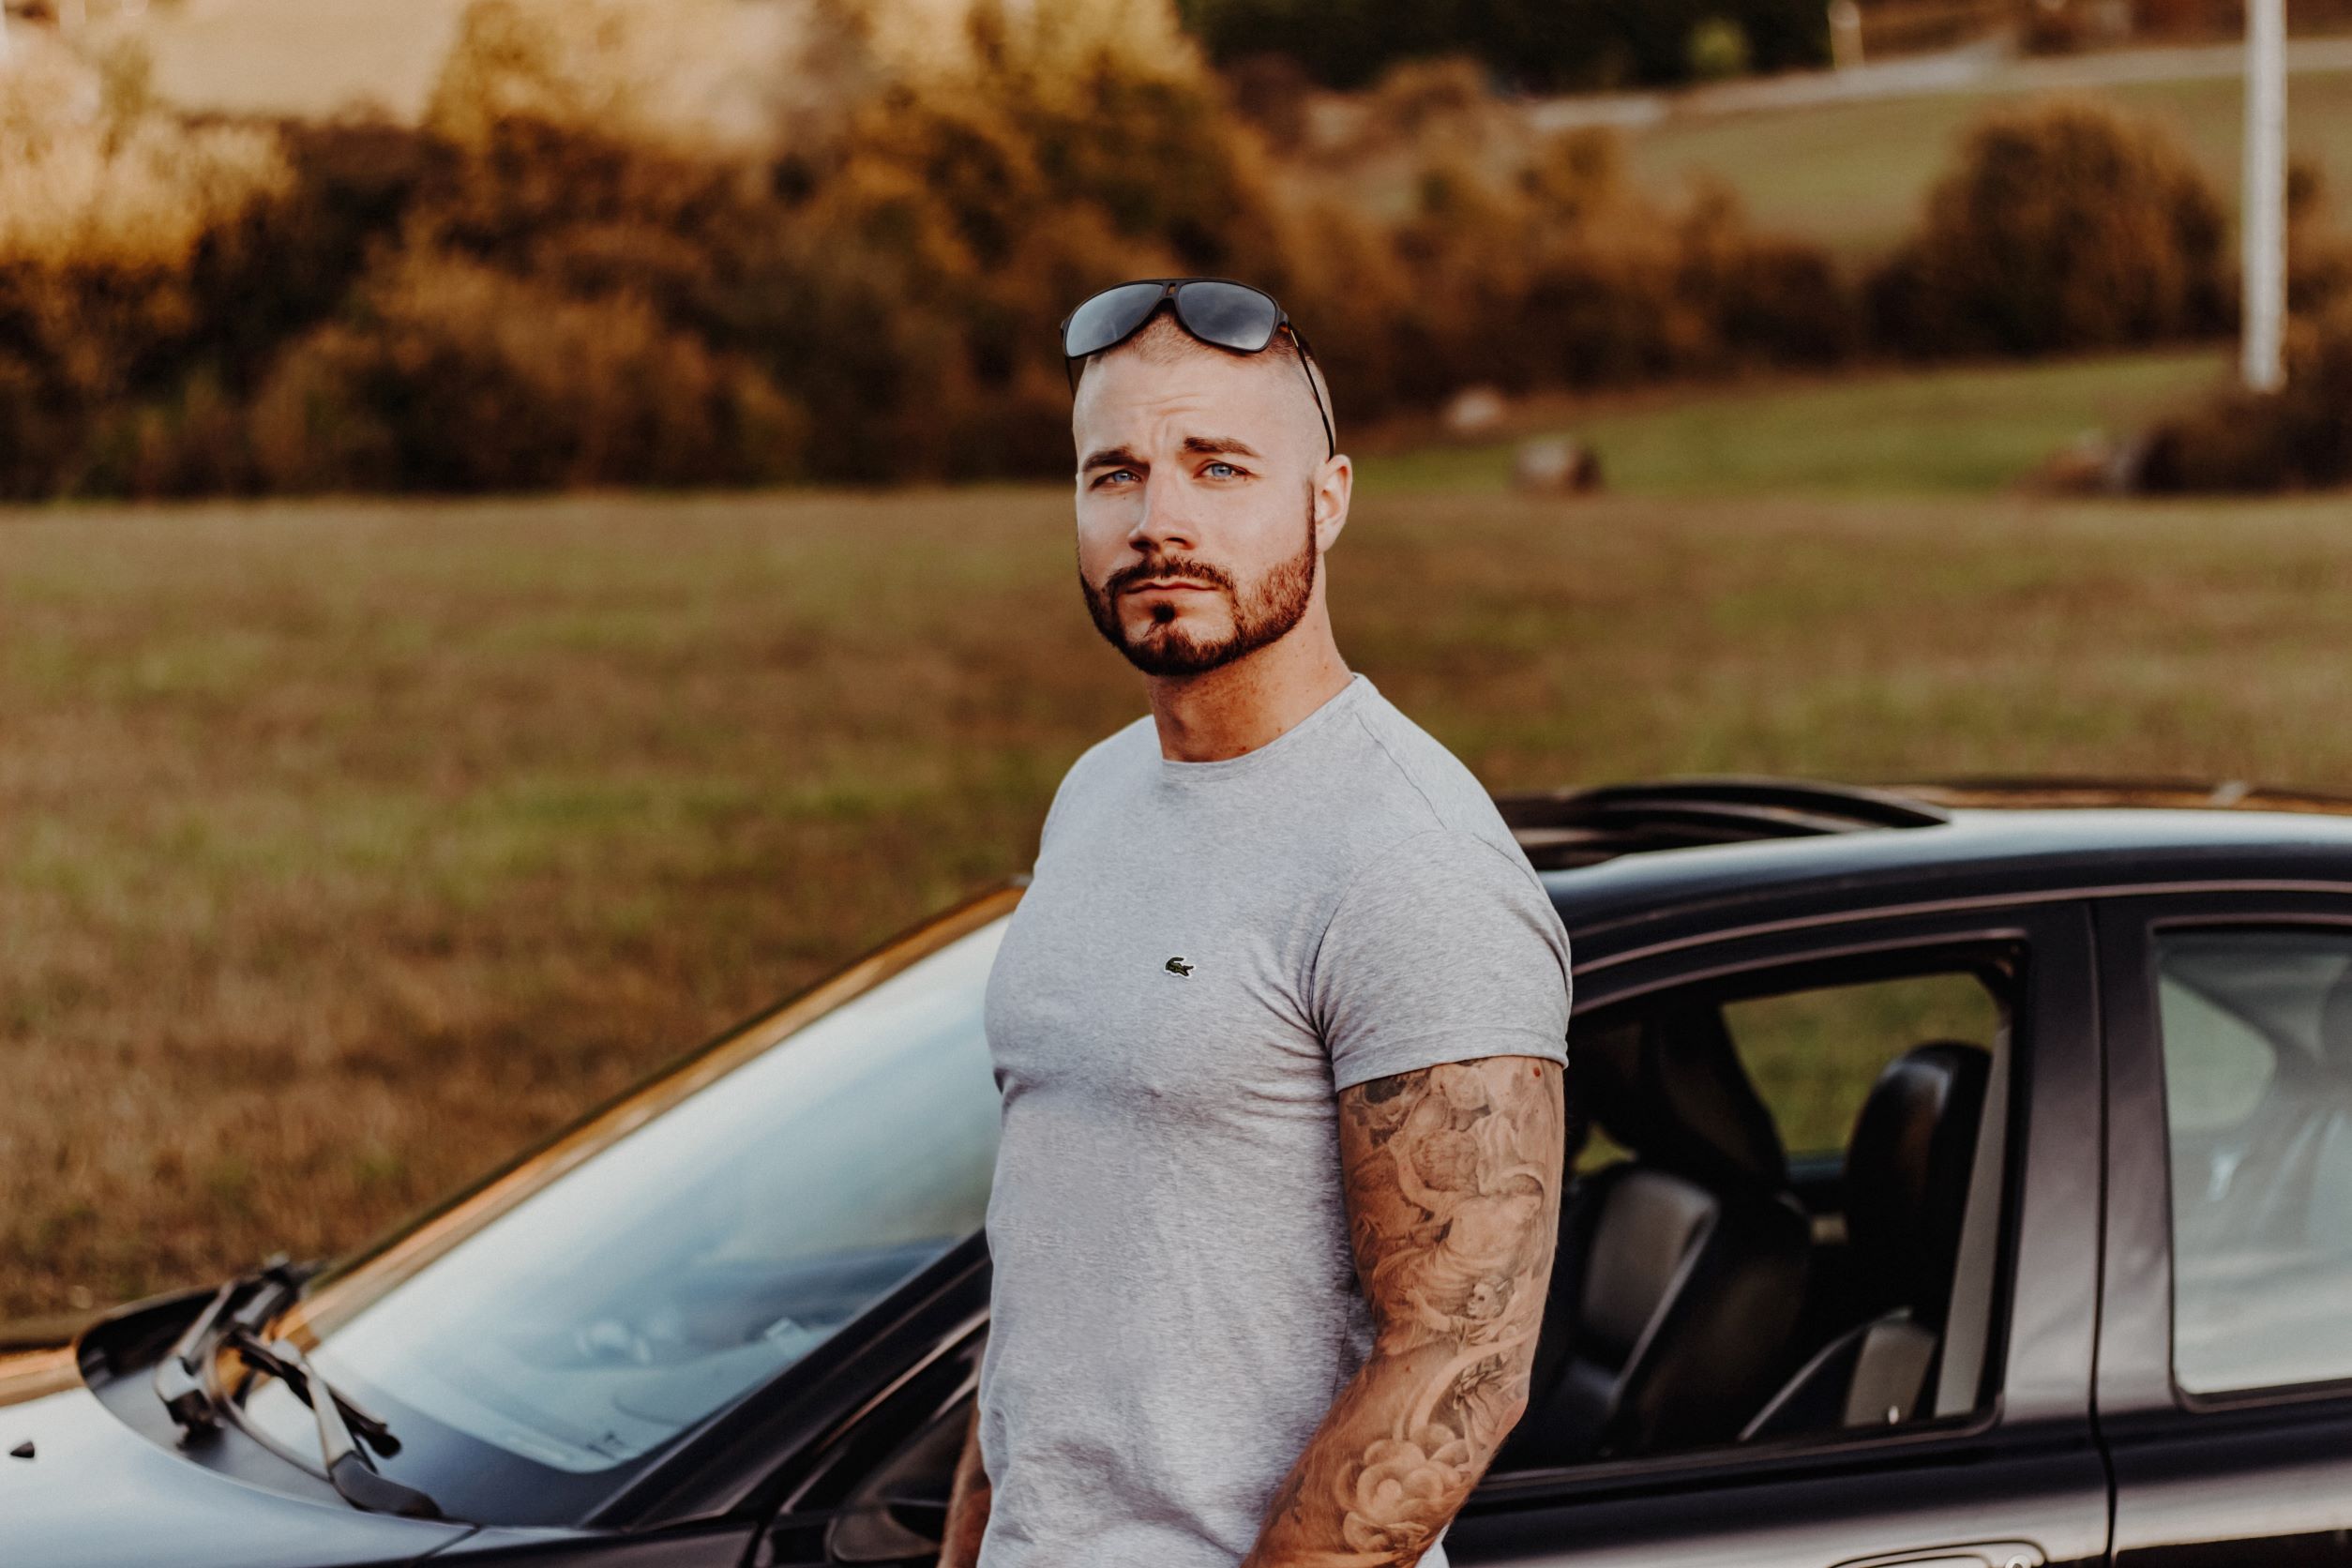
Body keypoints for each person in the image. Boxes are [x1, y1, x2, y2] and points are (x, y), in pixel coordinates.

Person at [941, 279, 1573, 1568]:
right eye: (1114, 474)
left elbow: (1460, 1368)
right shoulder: (1100, 793)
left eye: (1218, 467)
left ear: (1326, 499)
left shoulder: (1411, 859)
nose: (1159, 520)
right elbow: (1055, 1287)